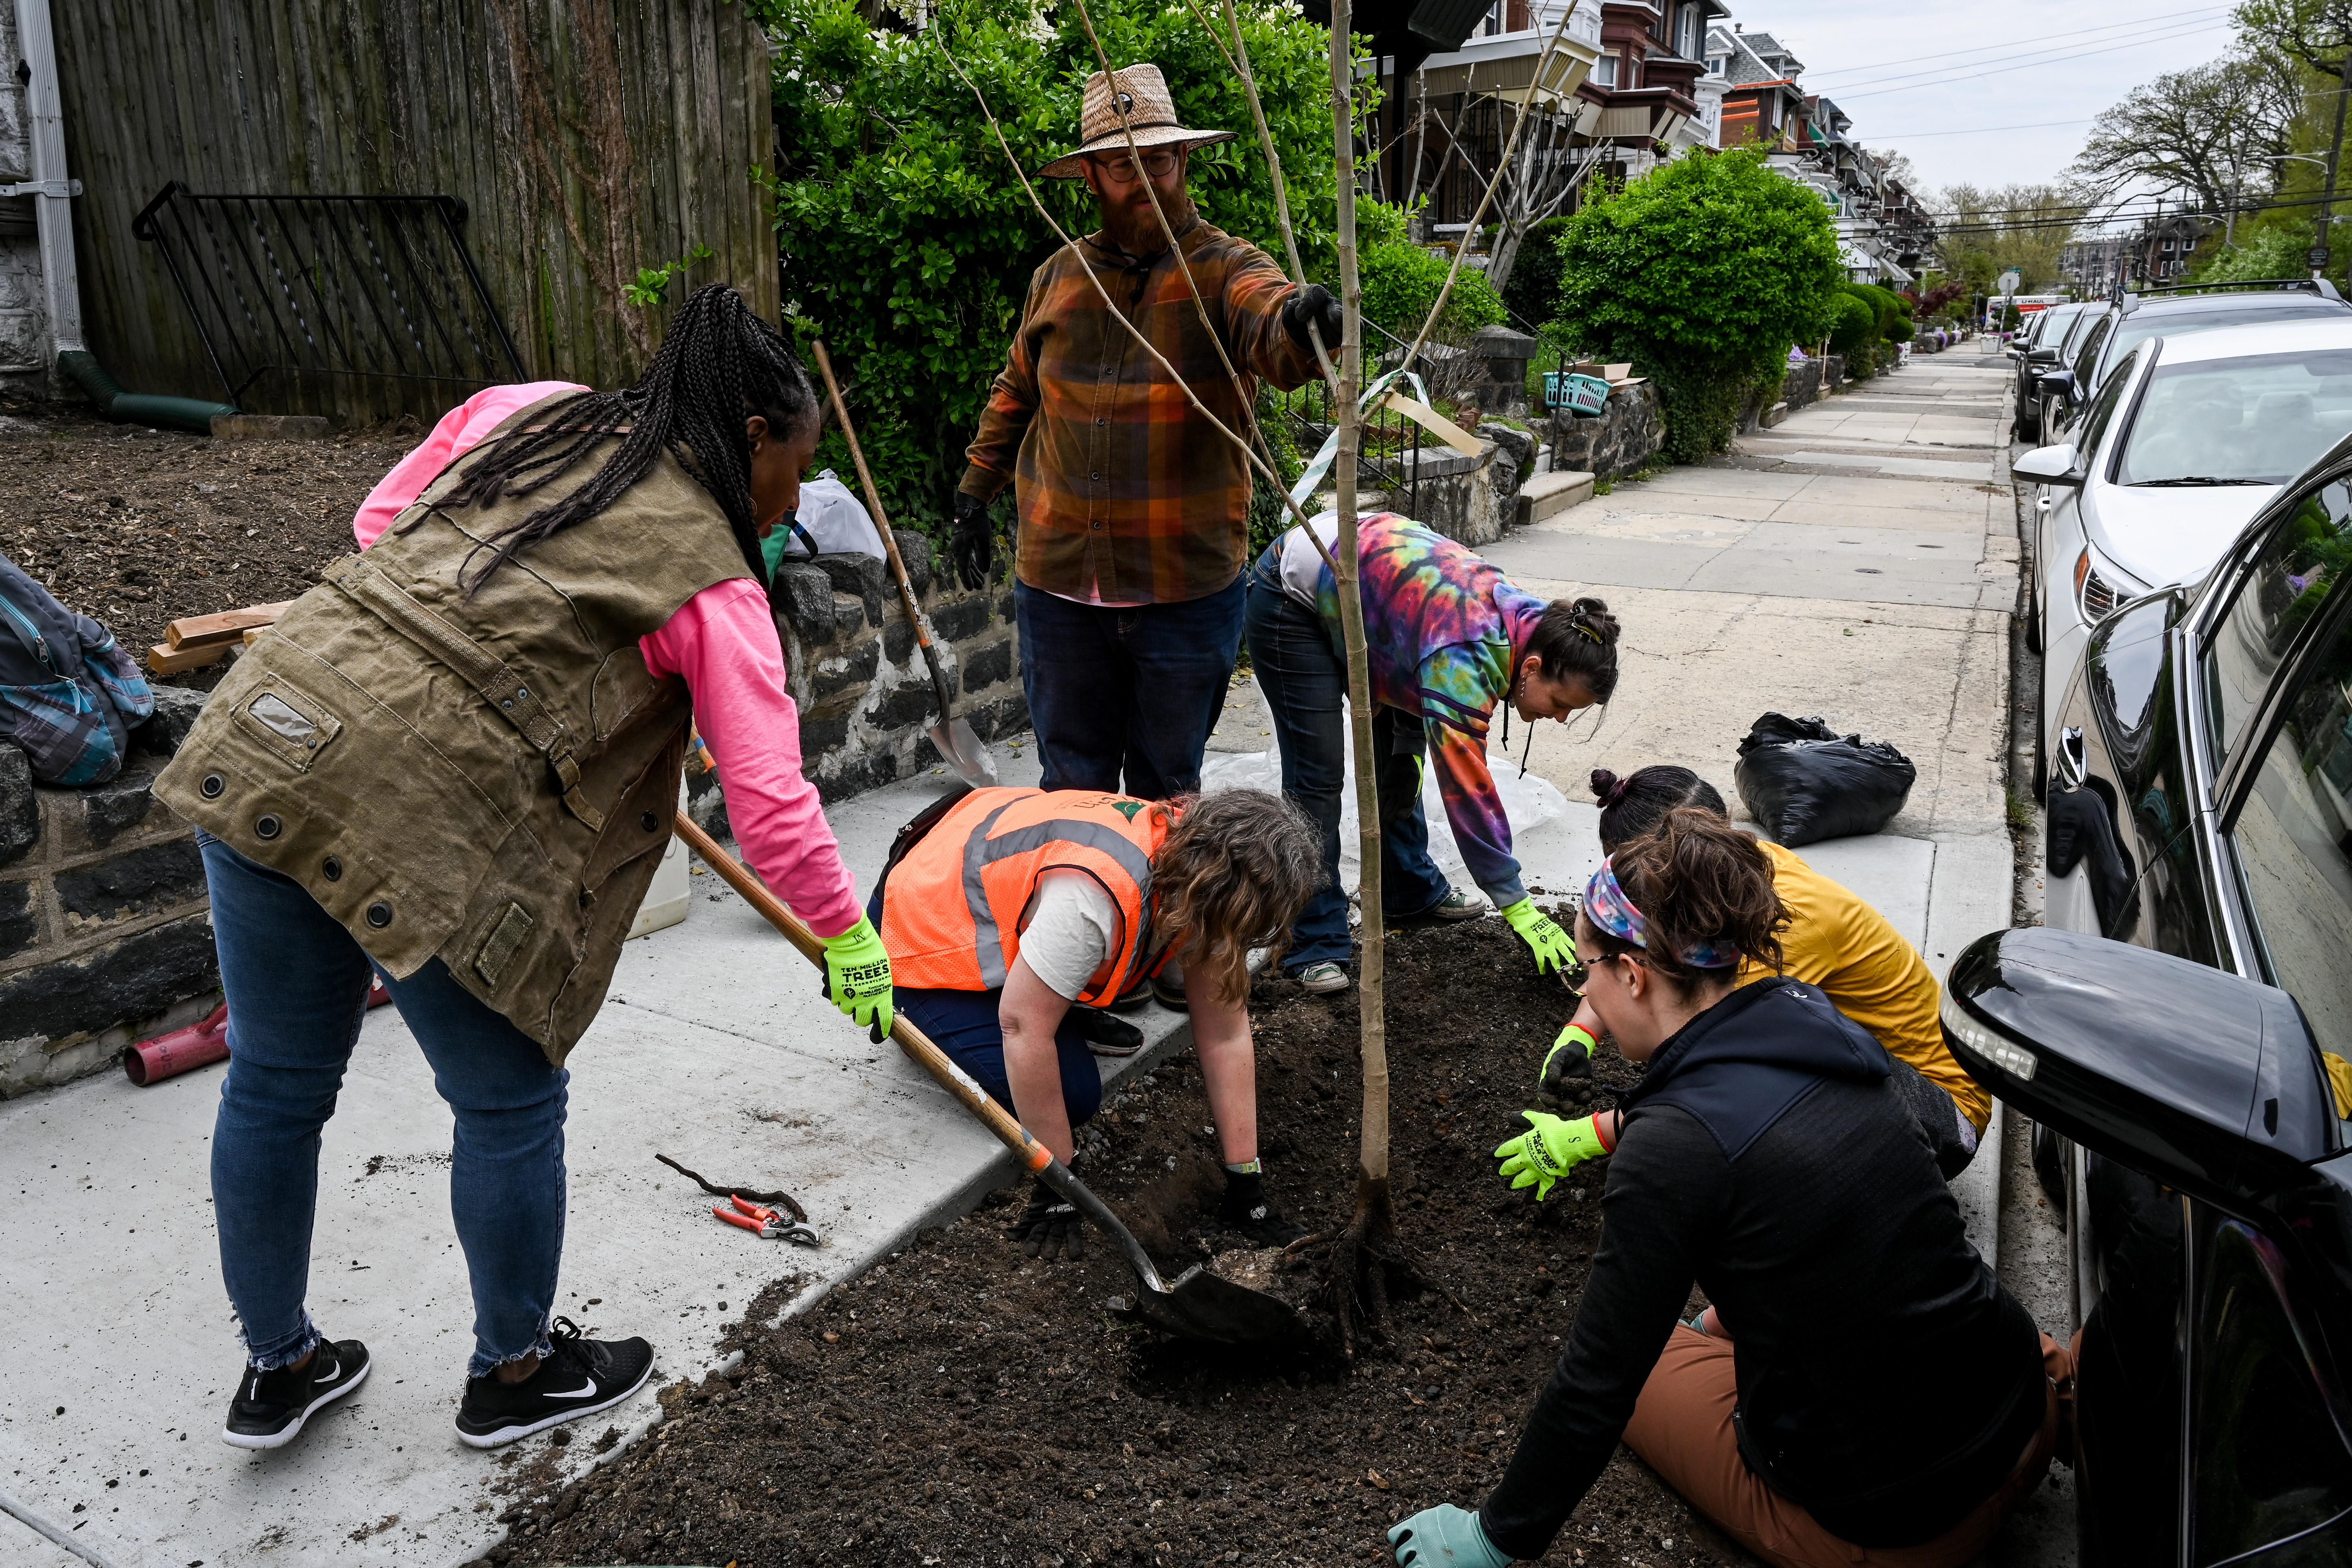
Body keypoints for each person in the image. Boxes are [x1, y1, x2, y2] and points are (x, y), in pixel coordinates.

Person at [155, 286, 894, 1452]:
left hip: (269, 733)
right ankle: (514, 1373)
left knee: (275, 1083)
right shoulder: (710, 579)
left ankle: (278, 1364)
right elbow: (768, 799)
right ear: (754, 436)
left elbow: (379, 525)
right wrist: (846, 934)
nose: (789, 505)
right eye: (793, 475)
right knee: (508, 1100)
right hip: (417, 813)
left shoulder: (529, 413)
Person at [1392, 810, 2062, 1568]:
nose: (1587, 990)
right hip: (2023, 1417)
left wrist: (1496, 1538)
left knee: (1650, 1372)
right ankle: (2069, 1380)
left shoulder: (1674, 1146)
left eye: (1590, 971)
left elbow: (1598, 1382)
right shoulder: (1820, 1022)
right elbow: (1879, 1197)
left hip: (1902, 1527)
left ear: (1634, 975)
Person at [953, 62, 1341, 802]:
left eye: (1157, 160)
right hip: (1061, 588)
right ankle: (1088, 919)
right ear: (1090, 177)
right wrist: (975, 496)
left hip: (1181, 596)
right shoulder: (1058, 278)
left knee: (1167, 794)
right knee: (1072, 791)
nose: (1144, 181)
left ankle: (1159, 921)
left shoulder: (1226, 269)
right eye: (1121, 166)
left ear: (1183, 160)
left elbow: (1272, 328)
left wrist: (1302, 323)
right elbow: (1016, 393)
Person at [871, 784, 1321, 1256]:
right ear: (1214, 890)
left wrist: (1246, 1187)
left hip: (978, 881)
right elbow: (1021, 1027)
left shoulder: (1190, 853)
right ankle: (915, 1018)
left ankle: (1041, 989)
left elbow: (1226, 1034)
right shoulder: (1095, 897)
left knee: (1051, 1057)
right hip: (921, 931)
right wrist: (1056, 1180)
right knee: (1071, 1094)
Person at [1510, 765, 1987, 1189]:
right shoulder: (1735, 877)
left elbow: (1716, 1080)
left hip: (1939, 1117)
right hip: (1865, 1067)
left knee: (1746, 1118)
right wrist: (1582, 1031)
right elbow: (1628, 947)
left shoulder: (1781, 923)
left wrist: (1585, 1136)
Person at [1246, 511, 1620, 994]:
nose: (1562, 718)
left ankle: (1406, 888)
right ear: (1531, 667)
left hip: (1385, 607)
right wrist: (1515, 900)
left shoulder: (1537, 625)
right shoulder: (1466, 655)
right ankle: (1313, 936)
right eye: (1562, 703)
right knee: (1317, 776)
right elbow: (1469, 788)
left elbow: (1421, 645)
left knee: (1403, 762)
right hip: (1295, 593)